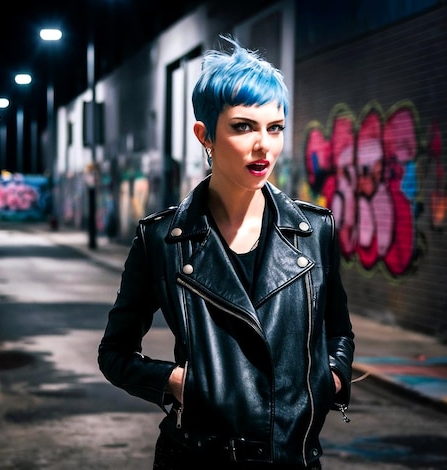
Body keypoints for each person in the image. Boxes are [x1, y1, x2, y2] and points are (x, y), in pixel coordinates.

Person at [97, 35, 354, 469]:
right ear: (205, 135)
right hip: (199, 456)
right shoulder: (163, 239)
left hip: (292, 457)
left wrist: (328, 378)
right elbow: (115, 353)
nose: (264, 146)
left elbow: (338, 332)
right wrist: (179, 383)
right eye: (243, 126)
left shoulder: (314, 230)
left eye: (274, 128)